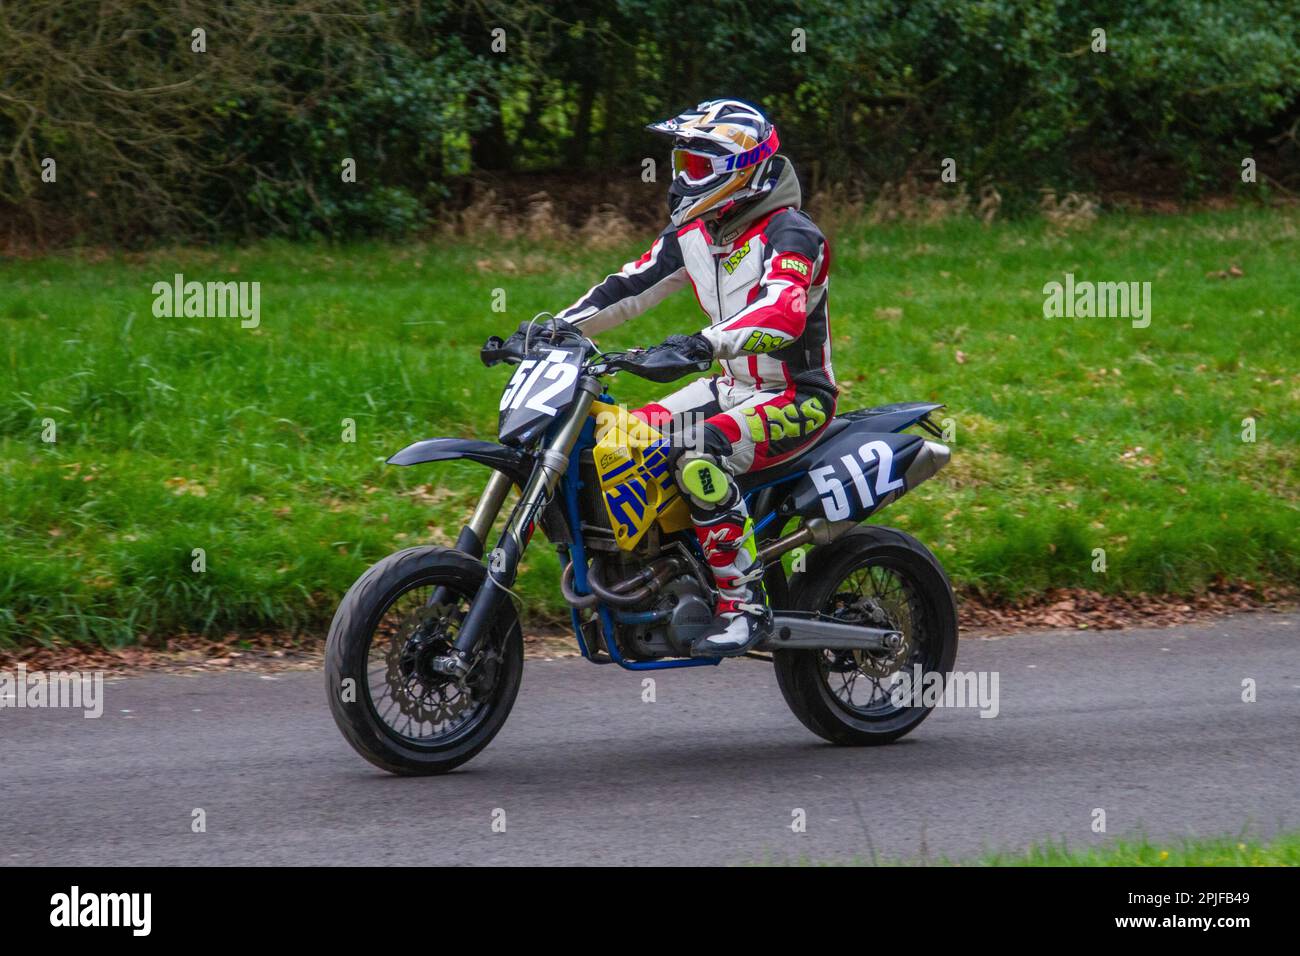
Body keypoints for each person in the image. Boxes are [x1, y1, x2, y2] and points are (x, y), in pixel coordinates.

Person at [556, 98, 836, 657]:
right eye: (681, 165)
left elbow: (780, 314)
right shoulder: (699, 231)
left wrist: (702, 343)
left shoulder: (793, 235)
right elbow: (628, 288)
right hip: (730, 388)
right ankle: (662, 577)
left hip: (793, 396)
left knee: (697, 453)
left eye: (698, 168)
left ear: (744, 170)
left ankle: (743, 603)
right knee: (622, 444)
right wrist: (552, 329)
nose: (684, 179)